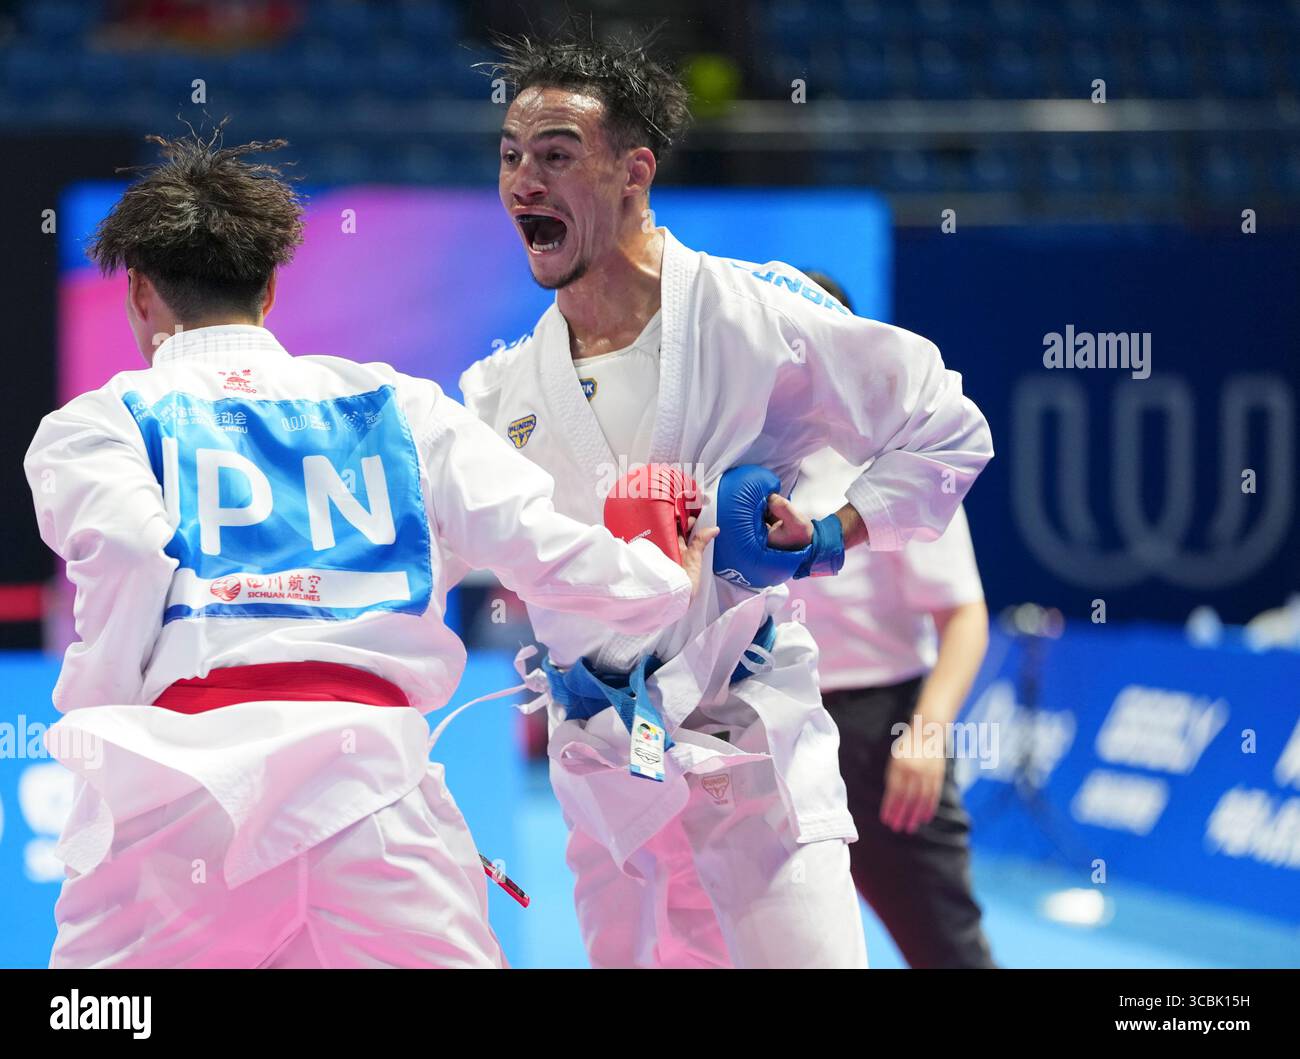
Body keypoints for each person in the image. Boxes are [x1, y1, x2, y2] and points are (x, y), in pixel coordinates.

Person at [24, 127, 714, 969]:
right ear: (272, 288)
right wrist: (659, 576)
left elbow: (131, 549)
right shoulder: (397, 402)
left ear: (138, 294)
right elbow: (537, 541)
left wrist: (110, 720)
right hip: (376, 800)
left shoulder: (99, 420)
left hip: (186, 794)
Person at [458, 34, 994, 968]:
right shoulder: (503, 393)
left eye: (555, 155)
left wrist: (830, 534)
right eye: (510, 156)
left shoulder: (759, 317)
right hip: (610, 783)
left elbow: (949, 428)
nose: (524, 182)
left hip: (754, 757)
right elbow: (427, 544)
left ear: (635, 171)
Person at [789, 272, 997, 969]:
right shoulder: (744, 458)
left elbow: (964, 614)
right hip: (771, 728)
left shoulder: (900, 462)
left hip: (880, 734)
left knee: (947, 952)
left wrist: (926, 734)